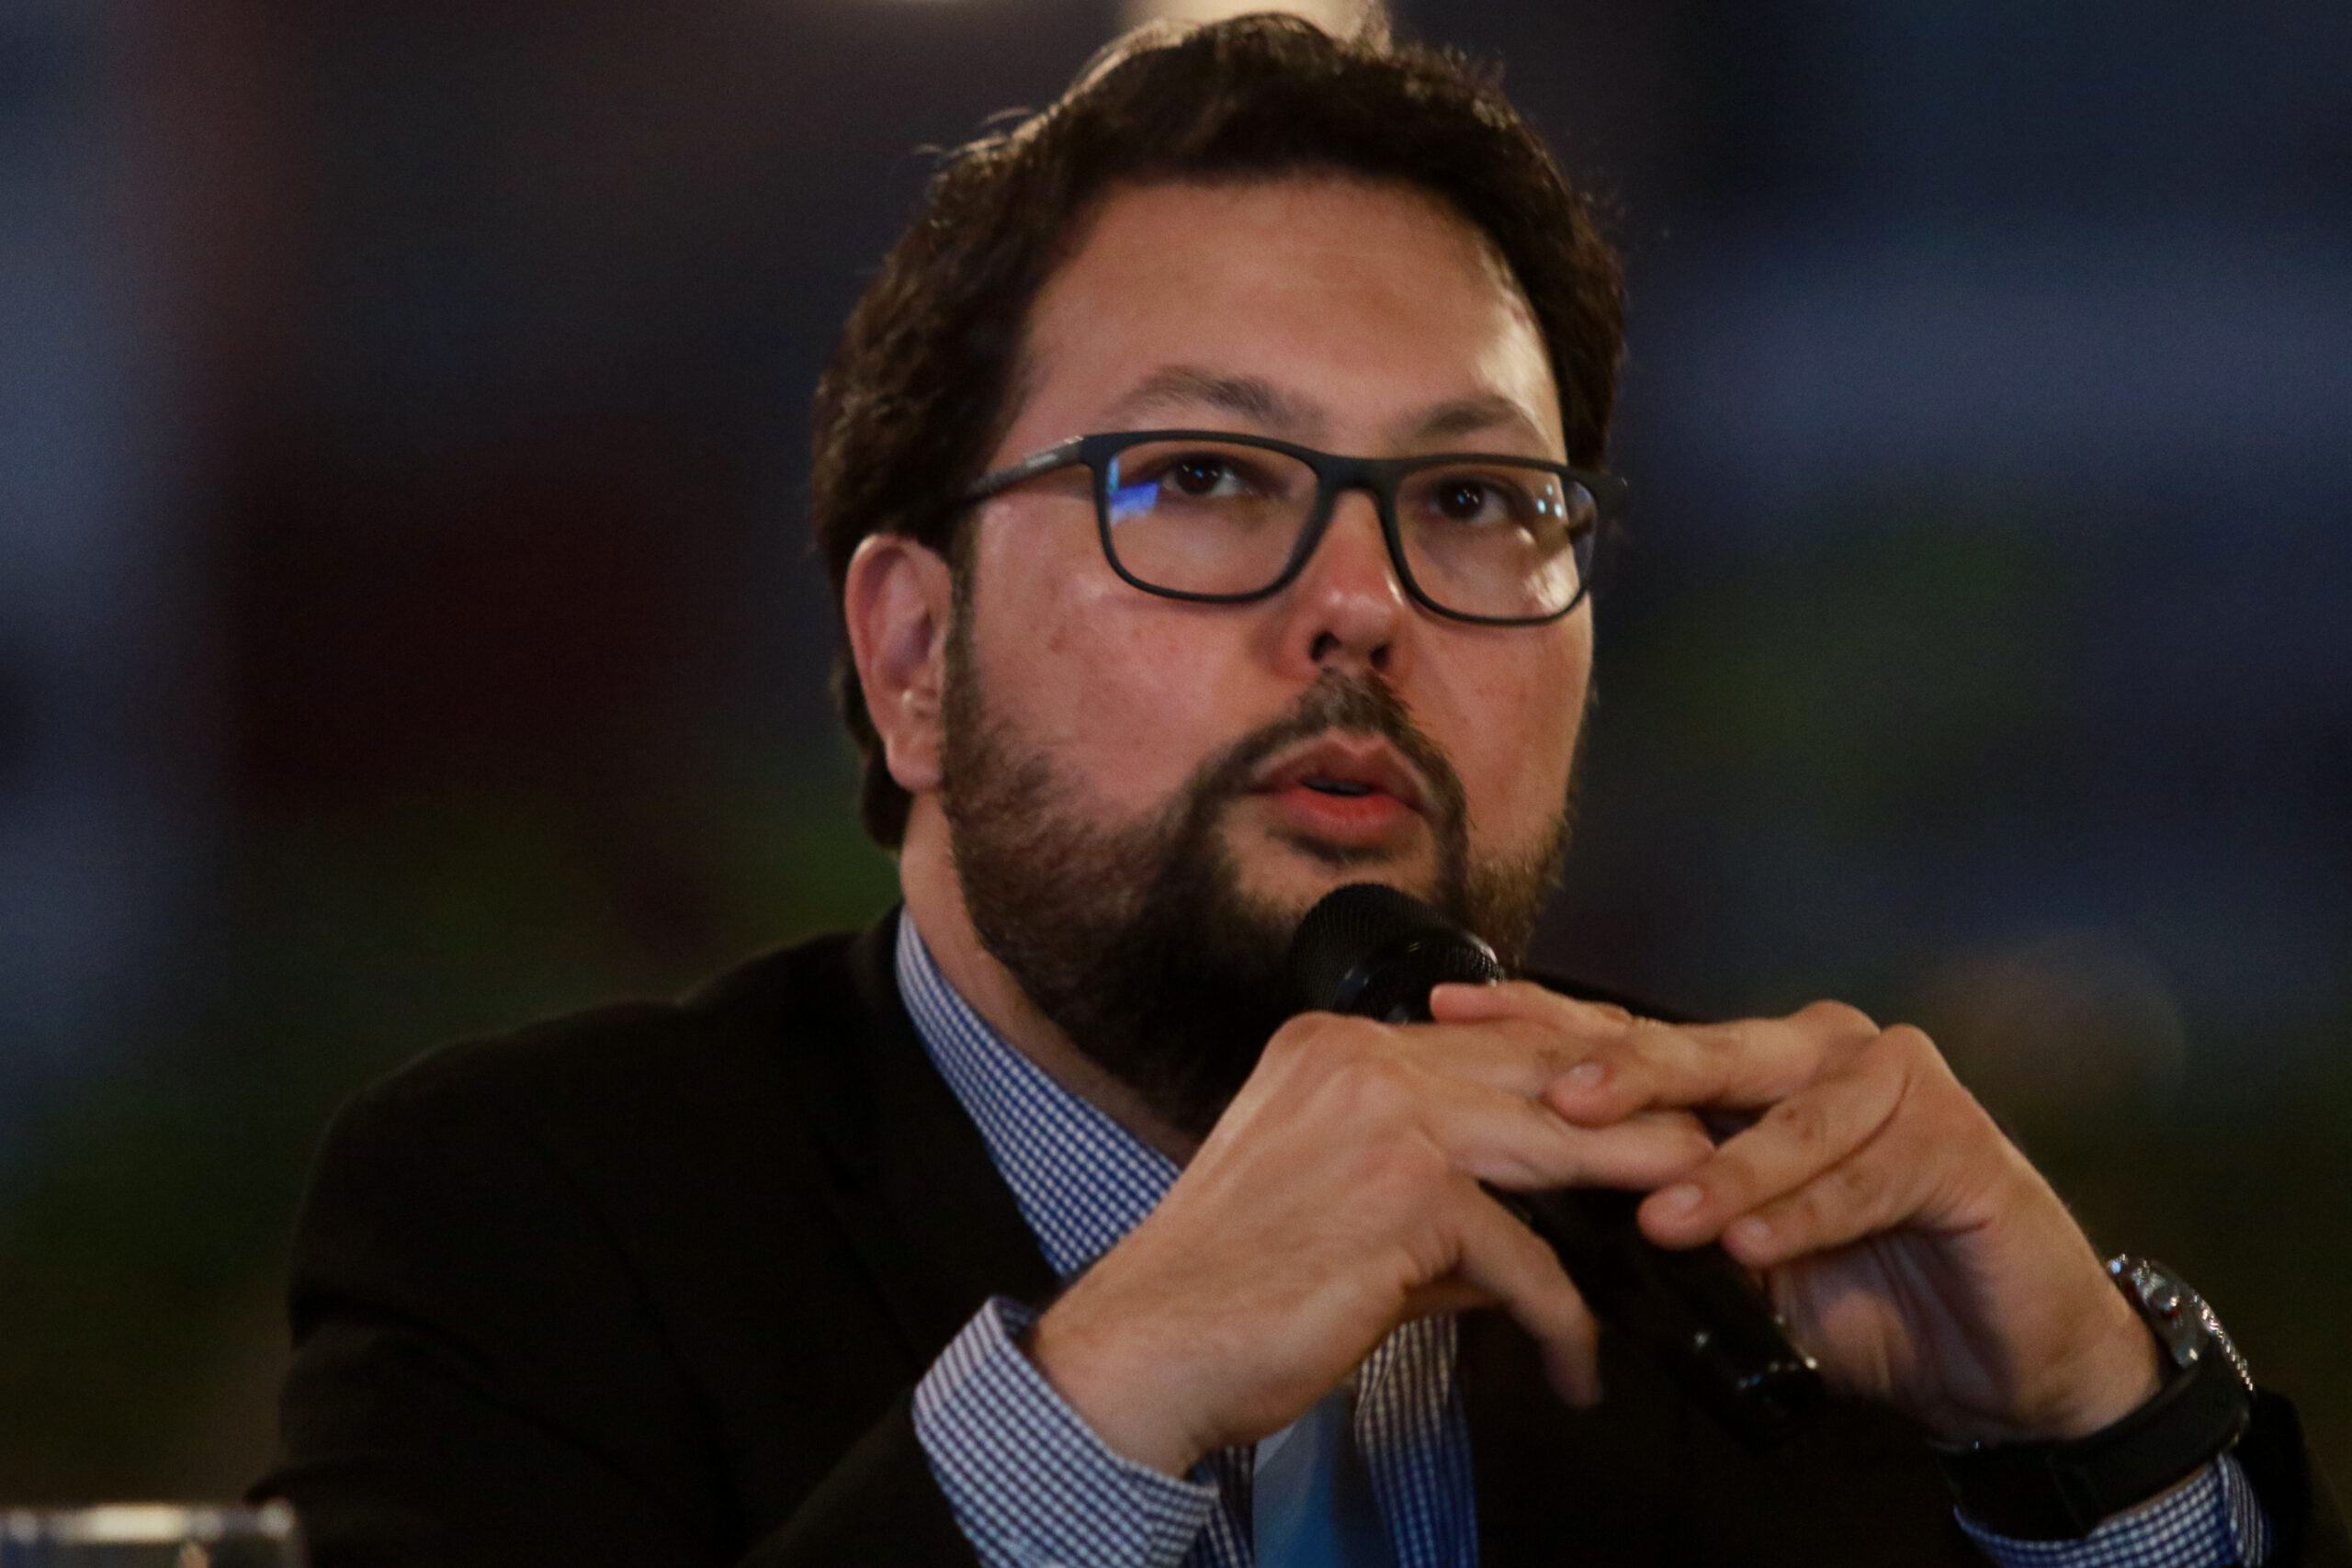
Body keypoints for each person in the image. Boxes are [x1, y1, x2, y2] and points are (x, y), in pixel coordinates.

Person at [254, 17, 2346, 1568]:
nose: (1363, 602)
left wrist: (2099, 1443)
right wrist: (1113, 1384)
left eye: (1474, 502)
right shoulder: (539, 1217)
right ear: (910, 656)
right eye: (1201, 476)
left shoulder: (1755, 1269)